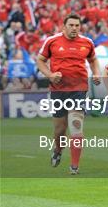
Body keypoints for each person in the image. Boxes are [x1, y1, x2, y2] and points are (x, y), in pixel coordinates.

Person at [36, 13, 101, 175]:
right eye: (71, 25)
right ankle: (57, 150)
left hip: (78, 90)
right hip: (58, 91)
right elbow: (40, 60)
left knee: (76, 128)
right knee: (60, 130)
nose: (74, 28)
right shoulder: (52, 41)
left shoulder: (87, 42)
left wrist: (97, 73)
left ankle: (74, 166)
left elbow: (93, 60)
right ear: (64, 26)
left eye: (77, 26)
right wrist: (50, 75)